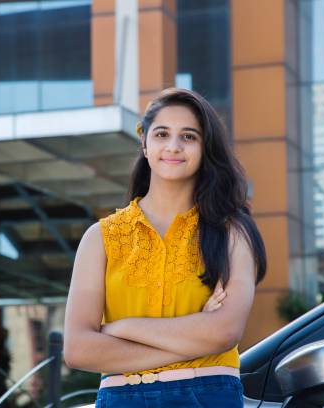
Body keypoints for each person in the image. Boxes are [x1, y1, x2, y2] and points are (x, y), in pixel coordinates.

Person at [64, 88, 267, 407]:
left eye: (189, 137)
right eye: (162, 134)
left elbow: (225, 332)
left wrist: (120, 328)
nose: (173, 146)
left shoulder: (231, 232)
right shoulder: (100, 238)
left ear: (204, 148)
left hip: (208, 396)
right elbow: (78, 349)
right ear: (144, 142)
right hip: (122, 398)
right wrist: (196, 337)